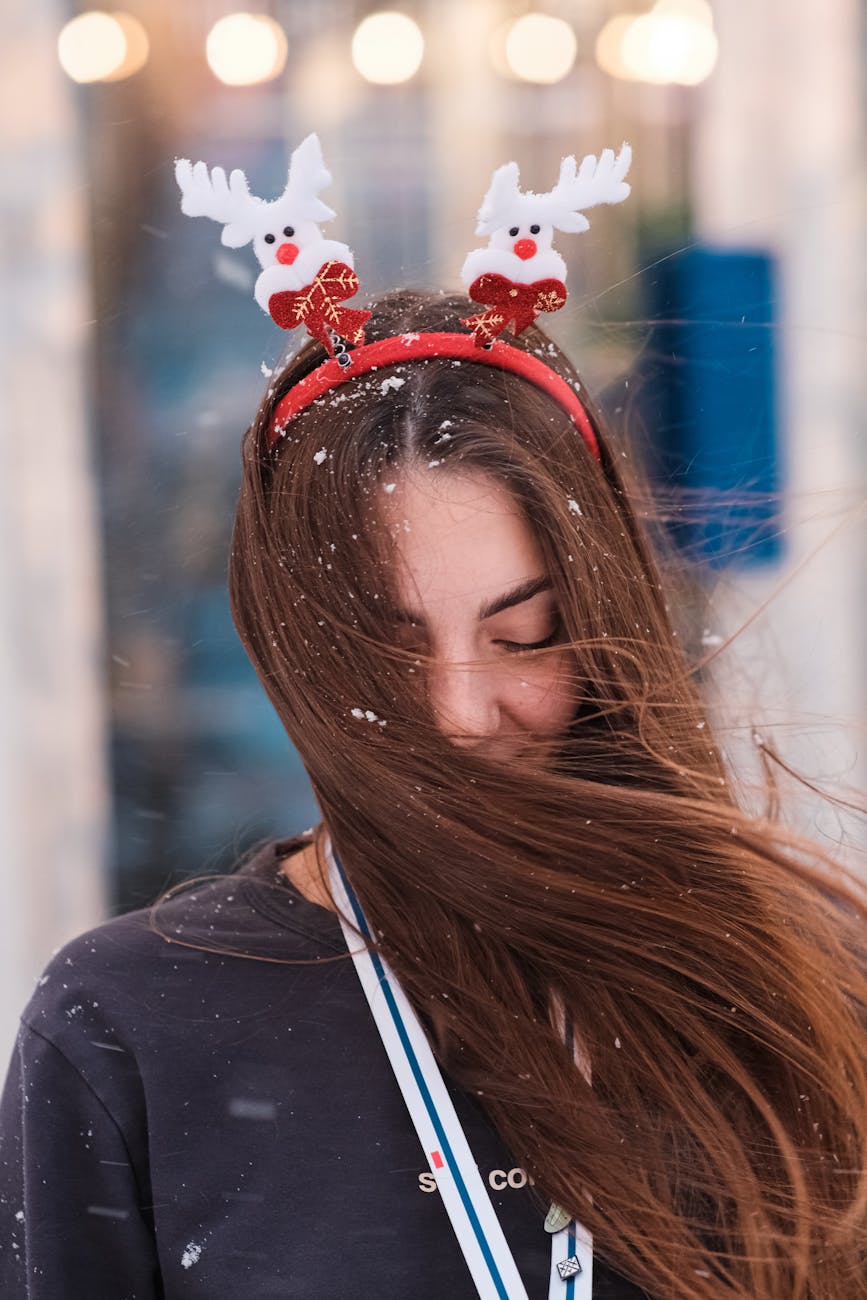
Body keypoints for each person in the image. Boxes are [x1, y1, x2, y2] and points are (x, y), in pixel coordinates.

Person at [2, 287, 867, 1300]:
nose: (458, 714)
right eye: (389, 647)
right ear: (297, 646)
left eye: (522, 636)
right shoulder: (128, 1028)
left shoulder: (792, 980)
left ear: (605, 628)